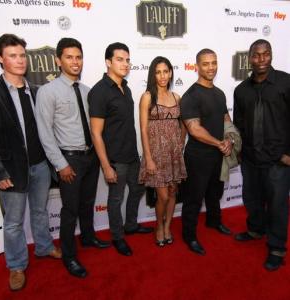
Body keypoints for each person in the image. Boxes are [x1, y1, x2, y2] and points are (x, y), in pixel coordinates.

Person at [0, 34, 61, 291]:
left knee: (41, 211)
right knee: (13, 222)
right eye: (12, 55)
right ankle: (17, 265)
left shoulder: (36, 90)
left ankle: (43, 247)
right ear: (0, 58)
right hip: (11, 170)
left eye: (22, 55)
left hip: (40, 164)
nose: (19, 60)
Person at [35, 38, 110, 279]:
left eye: (78, 57)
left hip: (90, 157)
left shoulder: (87, 91)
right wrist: (61, 164)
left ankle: (88, 237)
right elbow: (45, 133)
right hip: (69, 160)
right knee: (70, 210)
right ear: (58, 60)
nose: (75, 62)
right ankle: (69, 255)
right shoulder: (48, 92)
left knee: (88, 202)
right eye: (69, 57)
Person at [88, 42, 153, 257]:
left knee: (137, 190)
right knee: (115, 200)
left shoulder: (125, 88)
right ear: (108, 62)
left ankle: (131, 224)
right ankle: (118, 237)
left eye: (127, 60)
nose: (125, 64)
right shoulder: (99, 91)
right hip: (115, 159)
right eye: (119, 59)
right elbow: (96, 133)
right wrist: (106, 166)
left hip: (132, 155)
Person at [233, 39, 290, 271]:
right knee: (252, 199)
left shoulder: (286, 82)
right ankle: (256, 230)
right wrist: (239, 152)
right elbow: (238, 124)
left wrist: (288, 153)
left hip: (278, 159)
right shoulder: (241, 90)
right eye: (256, 55)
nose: (261, 59)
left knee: (277, 205)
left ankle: (276, 247)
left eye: (265, 54)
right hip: (250, 158)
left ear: (271, 55)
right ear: (249, 59)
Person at [180, 48, 232, 256]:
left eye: (214, 63)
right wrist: (219, 143)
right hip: (198, 157)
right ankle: (189, 235)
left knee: (215, 193)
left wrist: (229, 139)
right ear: (196, 66)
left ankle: (214, 221)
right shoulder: (190, 96)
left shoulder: (219, 93)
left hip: (218, 155)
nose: (211, 67)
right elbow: (194, 129)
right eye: (206, 64)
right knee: (194, 198)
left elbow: (226, 120)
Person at [138, 56, 187, 246]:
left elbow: (183, 123)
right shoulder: (147, 97)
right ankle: (159, 226)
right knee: (163, 196)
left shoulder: (177, 97)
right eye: (158, 72)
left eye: (165, 71)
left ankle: (167, 227)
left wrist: (181, 141)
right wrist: (148, 158)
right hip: (156, 154)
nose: (162, 76)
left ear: (171, 73)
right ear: (153, 74)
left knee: (173, 192)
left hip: (174, 153)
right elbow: (143, 129)